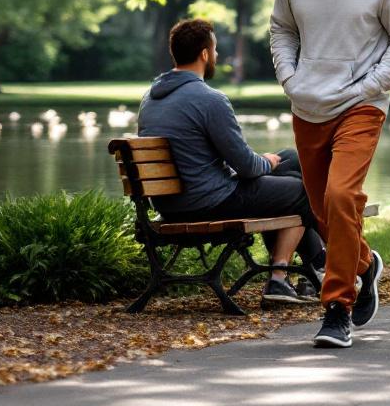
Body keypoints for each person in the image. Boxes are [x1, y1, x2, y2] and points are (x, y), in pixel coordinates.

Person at [270, 0, 390, 348]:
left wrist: (372, 86)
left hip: (361, 105)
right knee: (321, 209)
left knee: (339, 194)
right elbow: (282, 29)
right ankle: (364, 263)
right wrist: (291, 80)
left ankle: (337, 307)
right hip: (308, 103)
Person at [138, 18, 325, 305]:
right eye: (214, 50)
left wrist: (270, 163)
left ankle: (314, 269)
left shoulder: (150, 98)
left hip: (171, 203)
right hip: (209, 202)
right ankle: (287, 276)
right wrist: (266, 164)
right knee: (302, 191)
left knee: (292, 159)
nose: (216, 56)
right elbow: (247, 167)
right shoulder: (209, 99)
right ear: (203, 54)